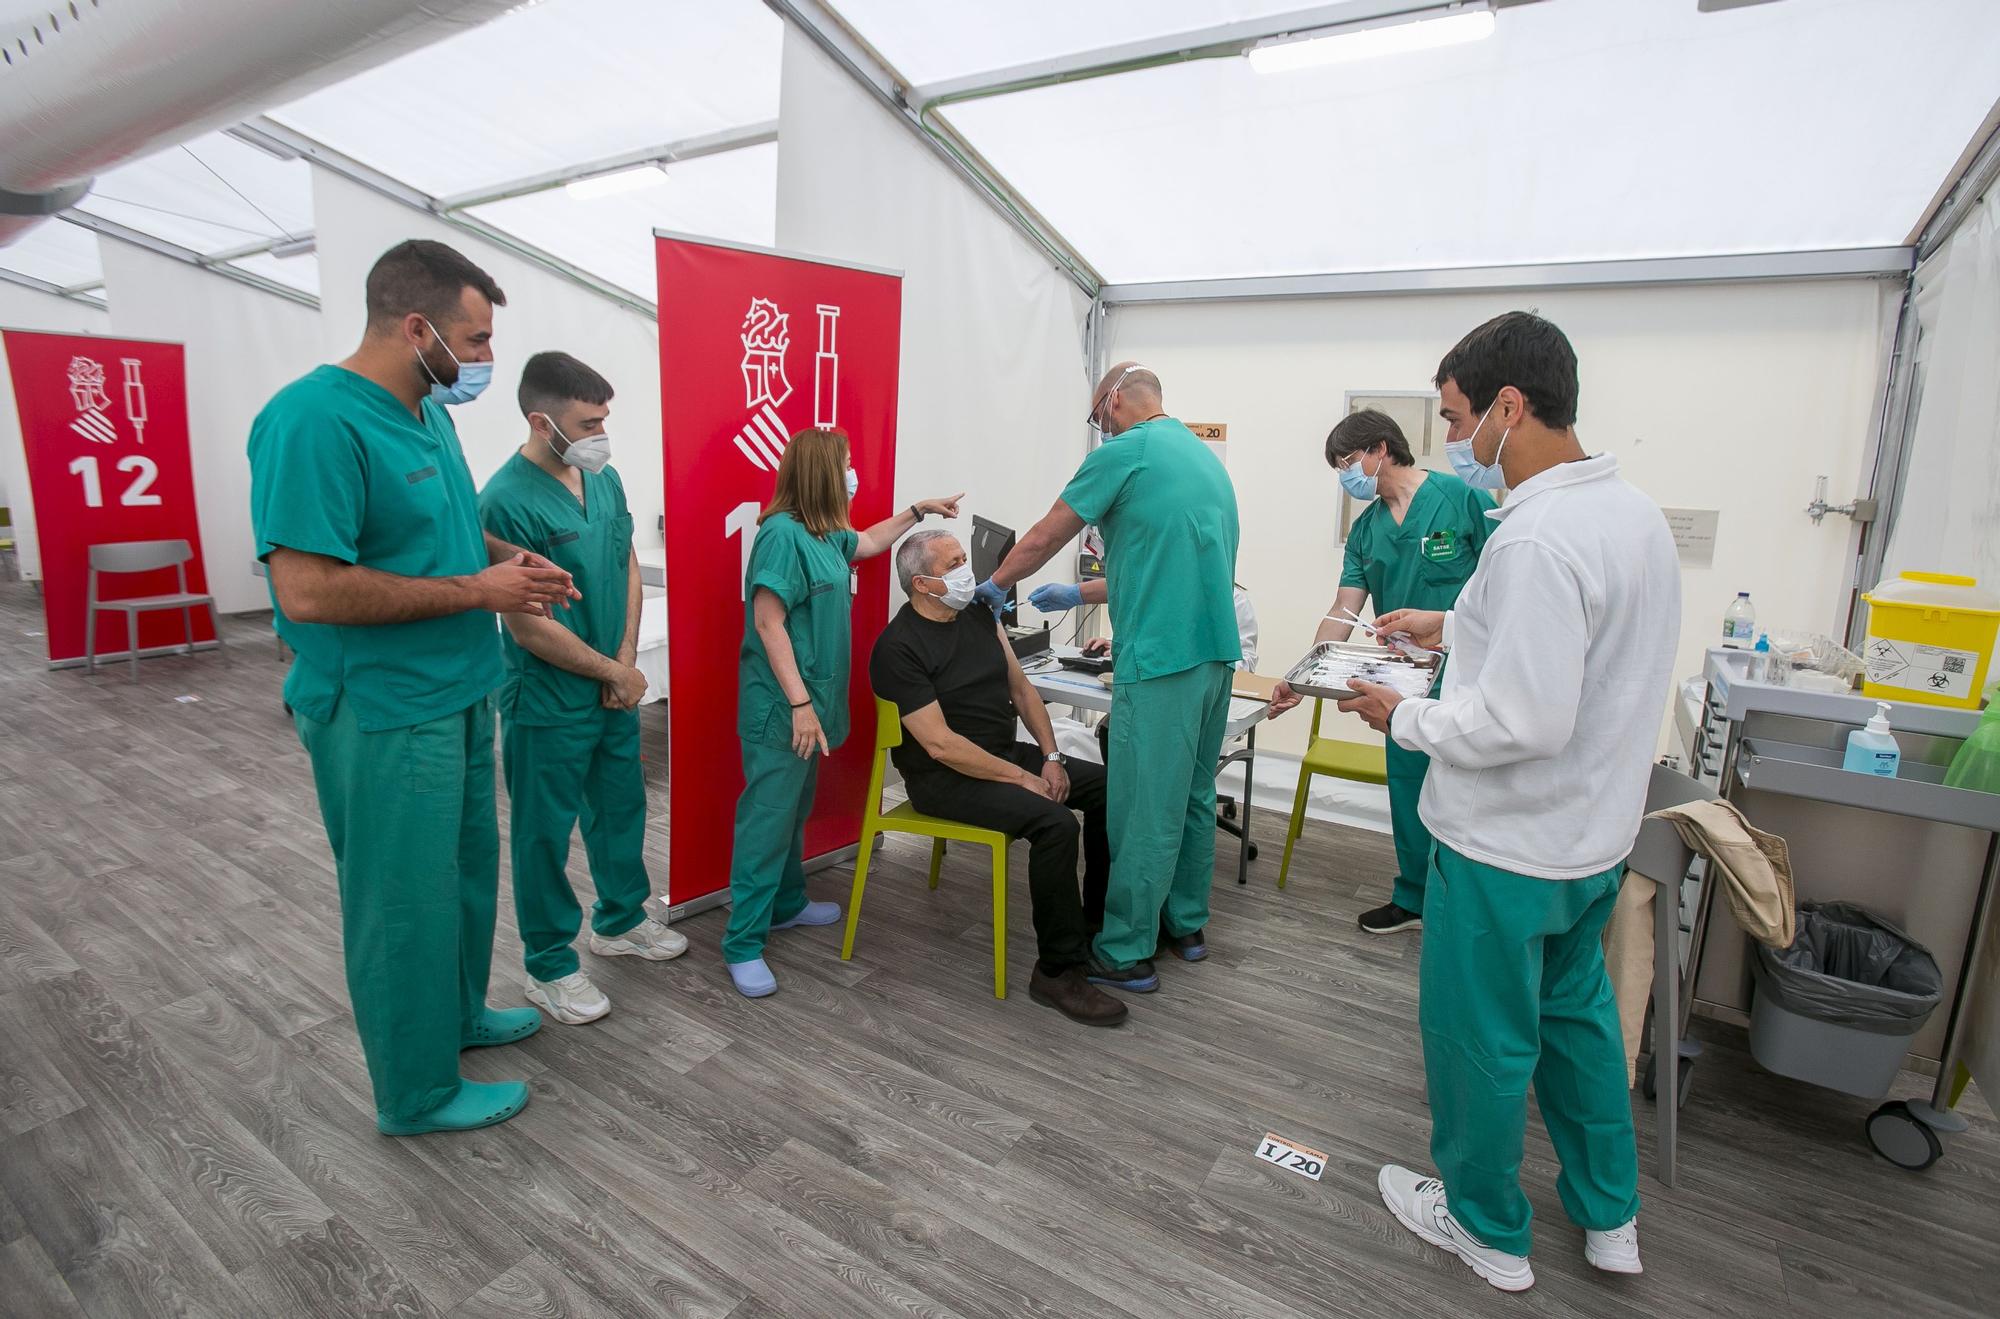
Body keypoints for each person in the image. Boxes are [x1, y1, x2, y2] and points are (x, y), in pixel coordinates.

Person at [1336, 313, 1679, 1290]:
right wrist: (1456, 625)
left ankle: (1483, 1226)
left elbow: (1518, 719)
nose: (1450, 439)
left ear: (1507, 406)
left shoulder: (1534, 536)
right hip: (1590, 841)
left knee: (1479, 1039)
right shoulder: (1630, 515)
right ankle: (1608, 1213)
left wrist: (1402, 713)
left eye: (1452, 416)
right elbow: (1583, 647)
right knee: (1577, 1023)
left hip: (1503, 846)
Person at [249, 239, 582, 1136]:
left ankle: (457, 1019)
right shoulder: (314, 421)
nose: (483, 362)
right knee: (402, 898)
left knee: (468, 876)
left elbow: (446, 532)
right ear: (415, 326)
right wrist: (481, 591)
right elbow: (308, 588)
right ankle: (416, 1088)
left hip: (461, 689)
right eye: (473, 343)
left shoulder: (427, 413)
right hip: (384, 710)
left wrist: (511, 559)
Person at [978, 363, 1240, 992]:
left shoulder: (1128, 451)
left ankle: (1124, 950)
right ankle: (1185, 924)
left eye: (1098, 416)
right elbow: (1163, 555)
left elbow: (1045, 534)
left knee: (1143, 806)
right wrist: (1085, 593)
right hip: (1213, 655)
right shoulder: (1201, 459)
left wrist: (995, 584)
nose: (1100, 426)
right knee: (1194, 796)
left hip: (1162, 660)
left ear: (1114, 401)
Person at [477, 352, 685, 1027]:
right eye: (588, 421)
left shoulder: (606, 478)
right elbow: (529, 625)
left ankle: (621, 920)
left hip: (609, 688)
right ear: (542, 421)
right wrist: (610, 671)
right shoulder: (503, 501)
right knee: (544, 833)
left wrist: (625, 657)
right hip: (549, 698)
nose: (602, 432)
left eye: (604, 418)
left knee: (620, 807)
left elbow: (624, 560)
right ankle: (549, 965)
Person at [724, 428, 961, 998]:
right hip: (784, 707)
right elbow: (767, 622)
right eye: (847, 465)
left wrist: (916, 511)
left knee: (792, 810)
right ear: (823, 474)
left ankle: (784, 905)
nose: (854, 474)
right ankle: (742, 943)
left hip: (812, 705)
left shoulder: (823, 532)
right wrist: (801, 704)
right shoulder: (781, 535)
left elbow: (870, 543)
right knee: (766, 820)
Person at [871, 530, 1124, 1026]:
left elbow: (1023, 689)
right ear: (922, 584)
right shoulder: (898, 648)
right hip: (944, 779)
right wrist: (1023, 780)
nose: (969, 570)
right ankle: (1056, 970)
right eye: (955, 565)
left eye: (966, 558)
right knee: (1056, 824)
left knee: (1110, 789)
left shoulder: (979, 615)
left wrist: (1051, 756)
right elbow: (941, 745)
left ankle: (1092, 925)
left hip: (1002, 754)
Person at [1268, 409, 1496, 935]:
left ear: (1381, 449)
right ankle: (1415, 896)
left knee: (1469, 794)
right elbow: (1342, 610)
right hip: (1402, 684)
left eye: (1349, 461)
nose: (1347, 476)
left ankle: (1464, 906)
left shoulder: (1463, 500)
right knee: (1409, 789)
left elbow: (1503, 590)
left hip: (1467, 676)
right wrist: (1303, 674)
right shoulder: (1367, 531)